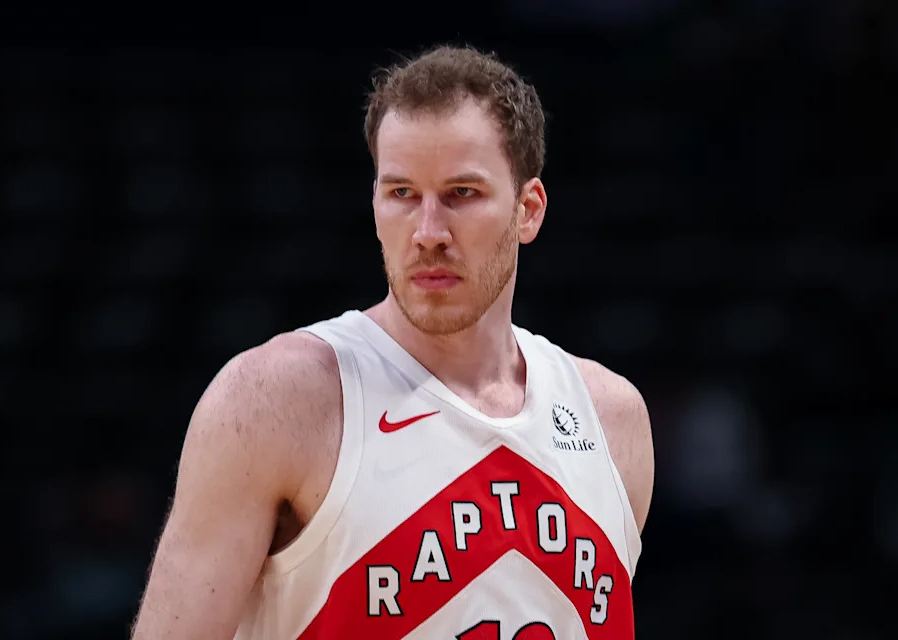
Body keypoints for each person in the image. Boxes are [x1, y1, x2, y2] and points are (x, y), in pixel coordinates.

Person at [130, 44, 654, 640]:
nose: (428, 232)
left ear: (528, 210)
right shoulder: (277, 400)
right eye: (402, 193)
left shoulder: (613, 422)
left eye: (462, 193)